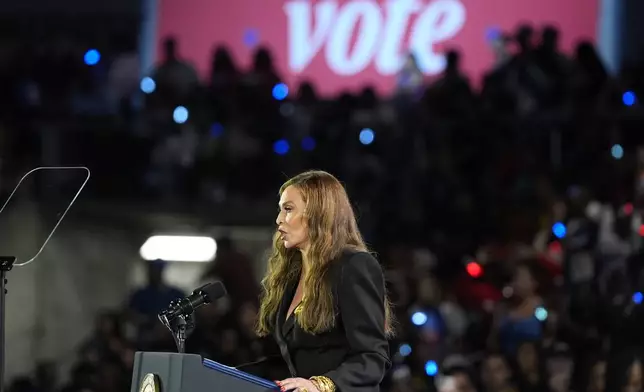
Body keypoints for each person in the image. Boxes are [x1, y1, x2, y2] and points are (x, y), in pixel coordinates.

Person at [255, 170, 393, 392]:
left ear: (318, 213)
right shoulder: (291, 275)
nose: (279, 219)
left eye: (288, 209)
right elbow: (283, 362)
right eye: (280, 209)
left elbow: (372, 358)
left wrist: (320, 385)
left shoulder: (354, 265)